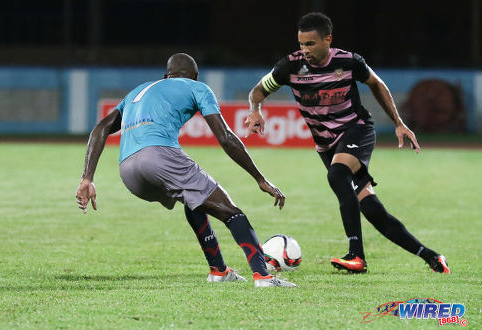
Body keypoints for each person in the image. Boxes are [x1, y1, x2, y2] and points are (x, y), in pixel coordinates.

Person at [245, 13, 450, 274]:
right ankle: (432, 256)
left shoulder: (349, 61)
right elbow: (258, 90)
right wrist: (255, 110)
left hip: (357, 130)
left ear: (327, 40)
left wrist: (398, 122)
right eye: (301, 44)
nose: (304, 50)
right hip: (326, 145)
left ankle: (356, 256)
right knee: (373, 209)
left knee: (338, 175)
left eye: (310, 44)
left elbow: (376, 84)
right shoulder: (290, 66)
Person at [75, 53, 296, 287]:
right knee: (231, 212)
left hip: (128, 170)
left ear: (166, 76)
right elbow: (226, 138)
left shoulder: (137, 91)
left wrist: (87, 178)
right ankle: (263, 277)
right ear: (195, 76)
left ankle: (219, 271)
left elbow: (100, 128)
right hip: (159, 157)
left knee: (194, 200)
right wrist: (260, 179)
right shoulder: (197, 88)